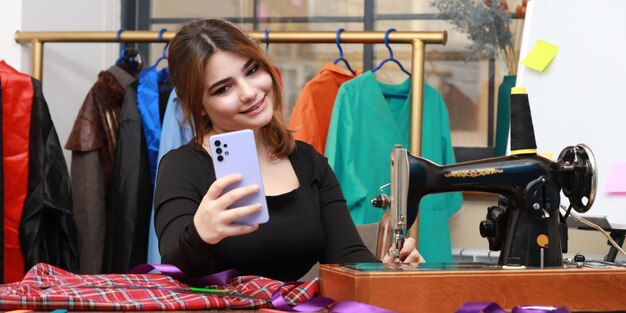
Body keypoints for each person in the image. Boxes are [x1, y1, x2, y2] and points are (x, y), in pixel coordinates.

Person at [154, 18, 424, 282]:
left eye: (252, 71)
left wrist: (384, 272)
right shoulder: (181, 168)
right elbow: (174, 273)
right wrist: (200, 236)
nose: (249, 92)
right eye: (223, 88)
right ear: (199, 105)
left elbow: (346, 255)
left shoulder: (309, 162)